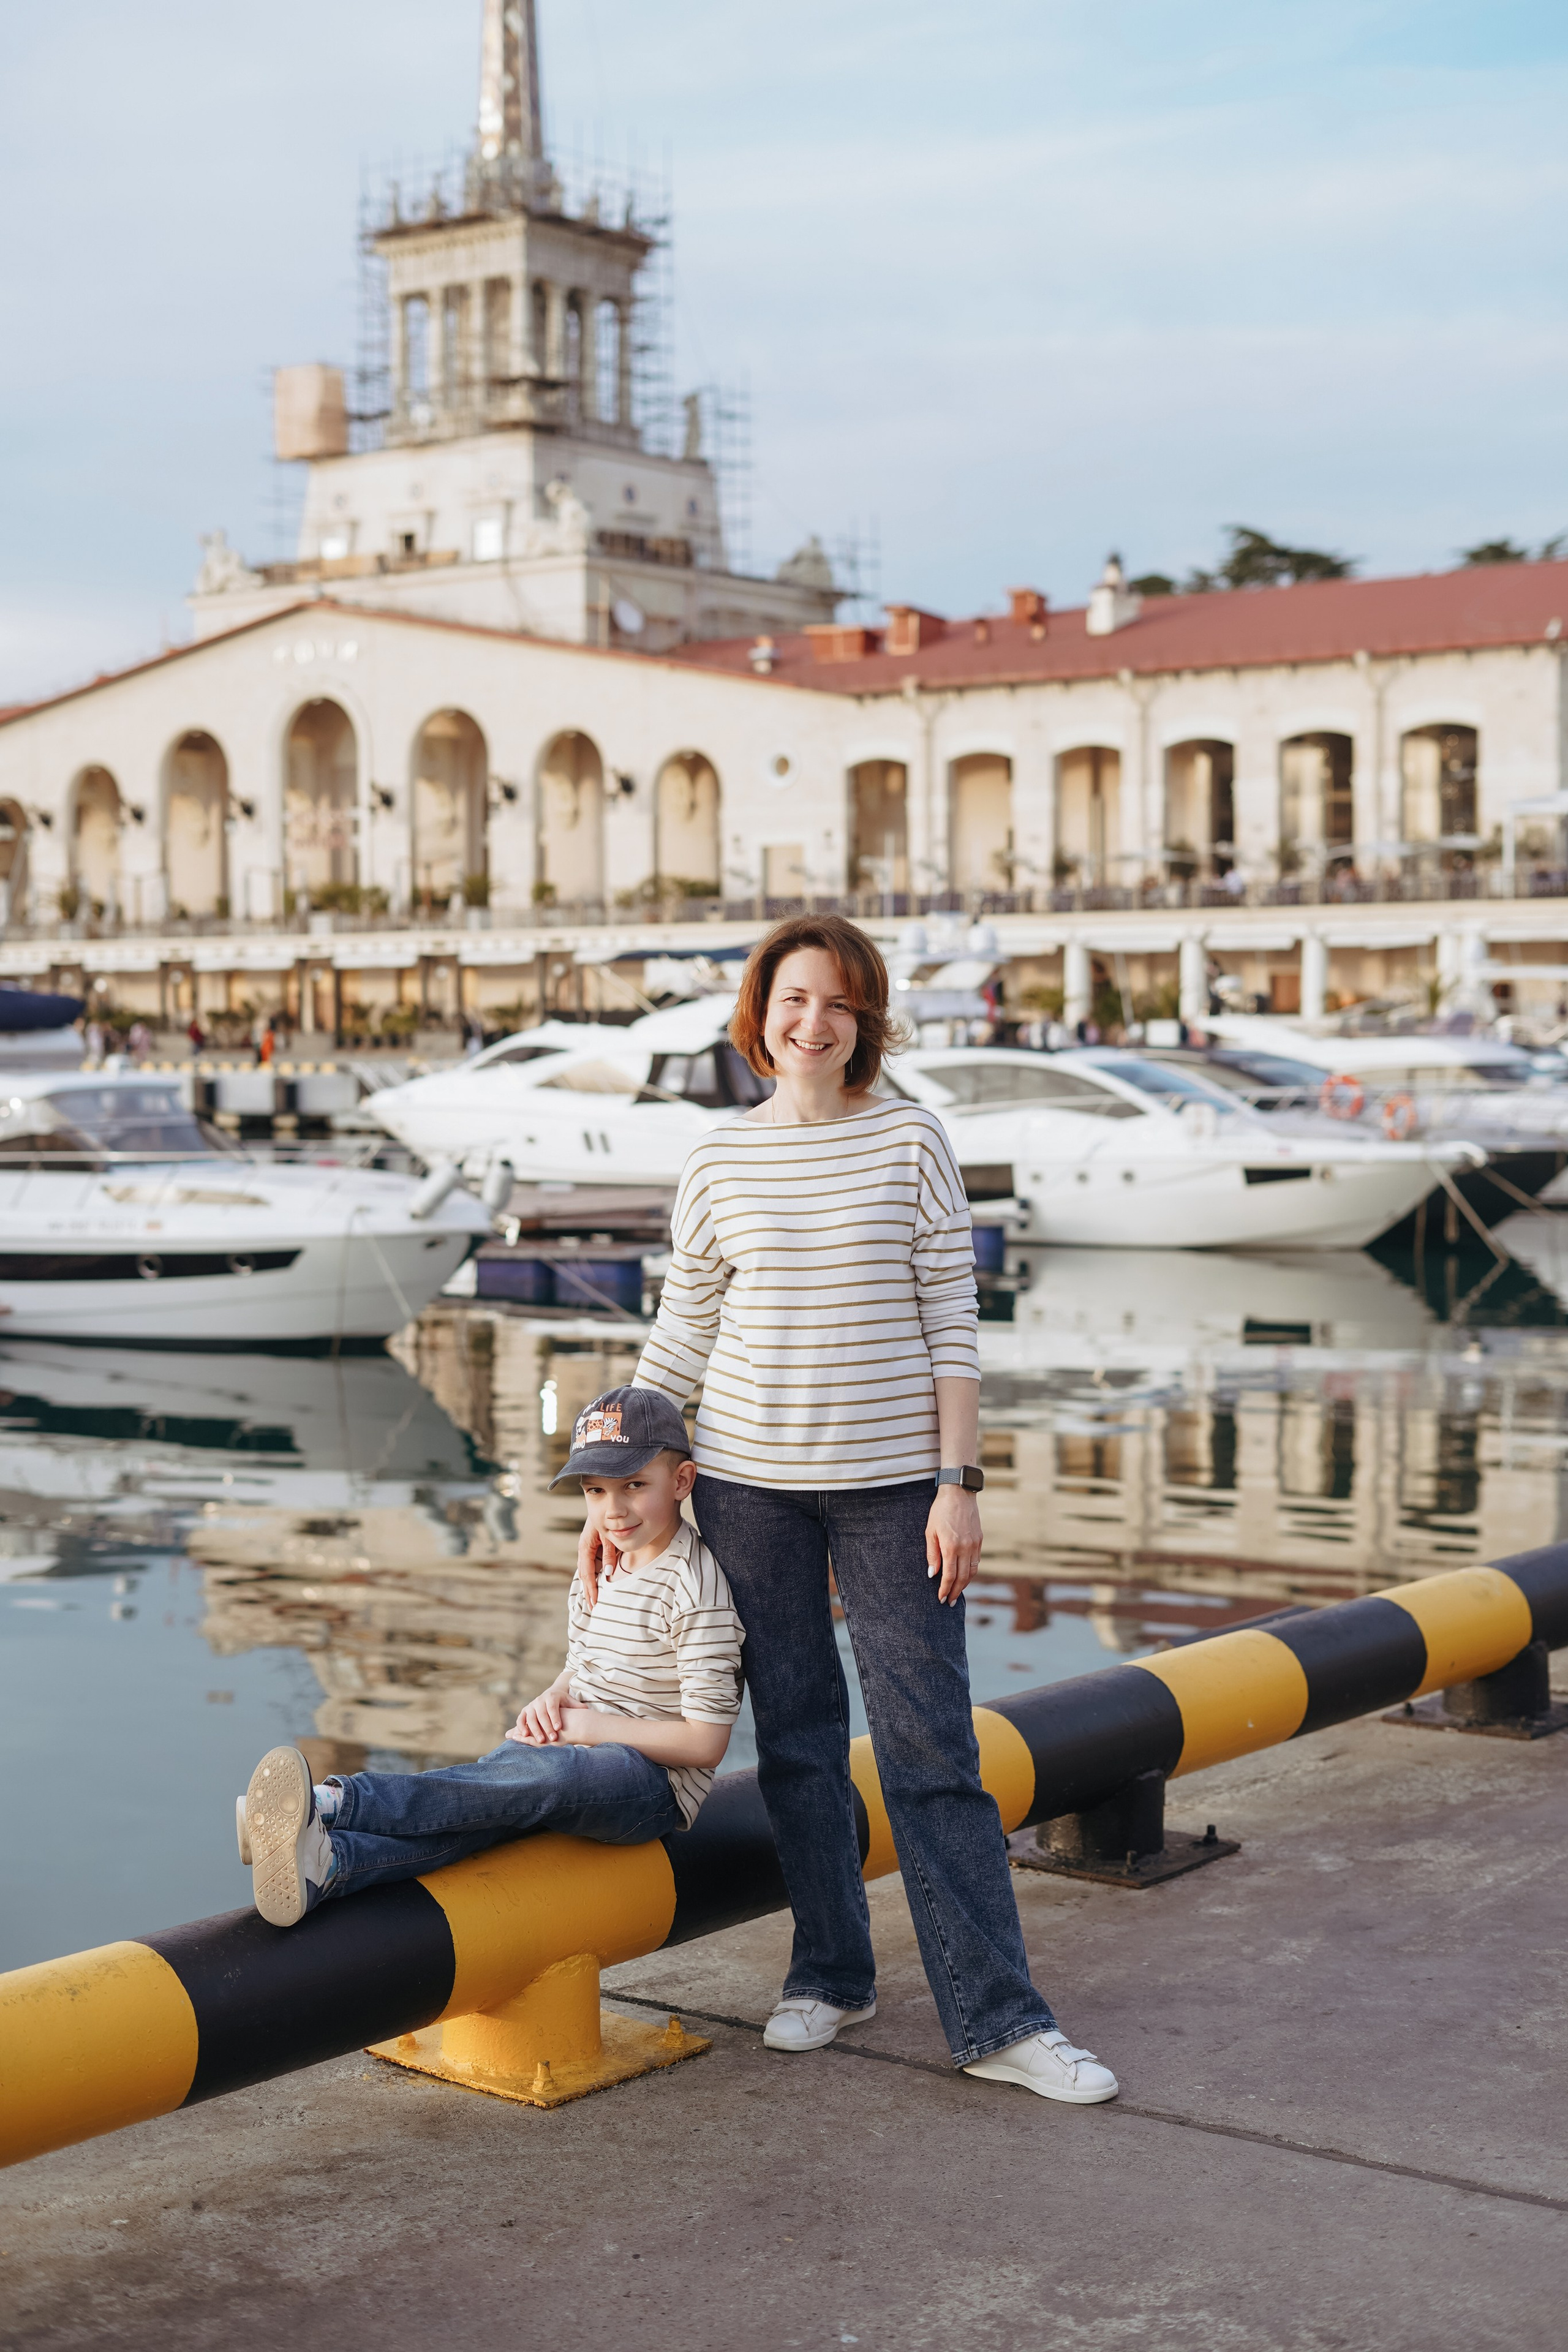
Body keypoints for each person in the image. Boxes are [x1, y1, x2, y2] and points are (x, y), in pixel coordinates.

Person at [606, 913, 1117, 2106]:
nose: (811, 1022)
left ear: (864, 1020)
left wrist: (958, 1485)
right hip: (744, 1488)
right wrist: (623, 1484)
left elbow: (952, 1325)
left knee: (930, 1751)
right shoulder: (719, 1159)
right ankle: (830, 1973)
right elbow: (682, 1331)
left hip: (899, 1493)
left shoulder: (909, 1143)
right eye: (792, 999)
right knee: (792, 1741)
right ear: (758, 1015)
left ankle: (997, 2020)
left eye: (836, 1003)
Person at [239, 1387, 744, 1928]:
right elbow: (584, 1660)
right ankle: (333, 1865)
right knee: (487, 1813)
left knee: (536, 1779)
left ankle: (333, 1804)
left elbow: (706, 1743)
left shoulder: (696, 1592)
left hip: (652, 1787)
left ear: (682, 1482)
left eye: (635, 1487)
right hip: (579, 1743)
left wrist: (587, 1727)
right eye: (595, 1491)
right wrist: (554, 1697)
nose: (612, 1510)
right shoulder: (602, 1563)